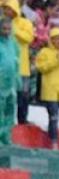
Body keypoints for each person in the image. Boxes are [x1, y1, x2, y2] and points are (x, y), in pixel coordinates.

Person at [2, 1, 30, 126]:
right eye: (5, 8)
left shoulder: (25, 22)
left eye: (9, 9)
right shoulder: (1, 22)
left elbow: (29, 37)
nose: (6, 11)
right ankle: (6, 121)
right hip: (5, 68)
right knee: (6, 96)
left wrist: (13, 29)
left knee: (23, 94)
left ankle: (22, 120)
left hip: (21, 65)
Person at [0, 14, 16, 145]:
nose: (6, 31)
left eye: (8, 29)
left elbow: (16, 61)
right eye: (4, 29)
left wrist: (17, 80)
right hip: (0, 83)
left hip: (11, 84)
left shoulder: (13, 43)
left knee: (10, 111)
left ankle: (6, 137)